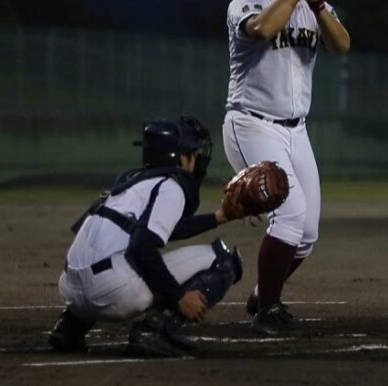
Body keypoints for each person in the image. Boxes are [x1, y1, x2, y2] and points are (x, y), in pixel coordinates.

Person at [222, 0, 351, 335]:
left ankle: (264, 292)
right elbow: (262, 29)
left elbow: (343, 45)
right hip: (252, 124)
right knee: (290, 216)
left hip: (296, 131)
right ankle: (268, 310)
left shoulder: (313, 5)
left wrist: (319, 3)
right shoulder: (247, 2)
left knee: (307, 233)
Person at [48, 116, 247, 357]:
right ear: (180, 158)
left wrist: (220, 217)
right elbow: (142, 247)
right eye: (193, 153)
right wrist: (179, 297)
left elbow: (165, 229)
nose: (198, 159)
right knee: (224, 262)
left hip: (71, 290)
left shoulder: (131, 182)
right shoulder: (169, 187)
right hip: (112, 292)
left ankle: (70, 327)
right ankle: (155, 331)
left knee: (113, 252)